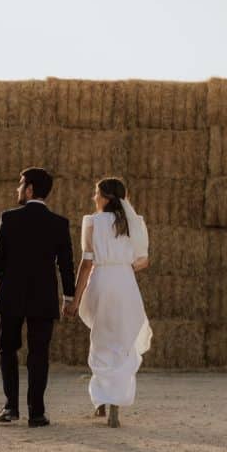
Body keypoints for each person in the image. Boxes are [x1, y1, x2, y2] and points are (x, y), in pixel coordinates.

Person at [0, 167, 75, 427]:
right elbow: (66, 265)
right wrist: (69, 297)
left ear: (29, 190)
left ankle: (11, 408)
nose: (17, 189)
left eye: (20, 185)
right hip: (44, 298)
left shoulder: (9, 219)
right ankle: (37, 413)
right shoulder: (59, 224)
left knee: (7, 350)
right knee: (39, 354)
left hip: (11, 297)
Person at [64, 178, 152, 428]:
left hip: (101, 280)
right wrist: (122, 266)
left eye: (96, 194)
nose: (94, 198)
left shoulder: (92, 222)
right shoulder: (135, 223)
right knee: (123, 342)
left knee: (101, 339)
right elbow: (143, 261)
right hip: (124, 282)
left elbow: (86, 263)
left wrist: (74, 299)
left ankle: (102, 401)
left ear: (105, 198)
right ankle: (115, 404)